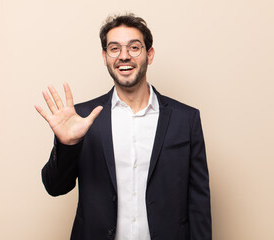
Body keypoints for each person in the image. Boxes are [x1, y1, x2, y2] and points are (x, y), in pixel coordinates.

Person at [35, 13, 211, 240]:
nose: (124, 56)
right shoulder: (82, 118)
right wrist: (68, 145)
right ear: (105, 56)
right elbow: (55, 187)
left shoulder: (185, 119)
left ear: (150, 54)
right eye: (114, 48)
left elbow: (199, 202)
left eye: (134, 47)